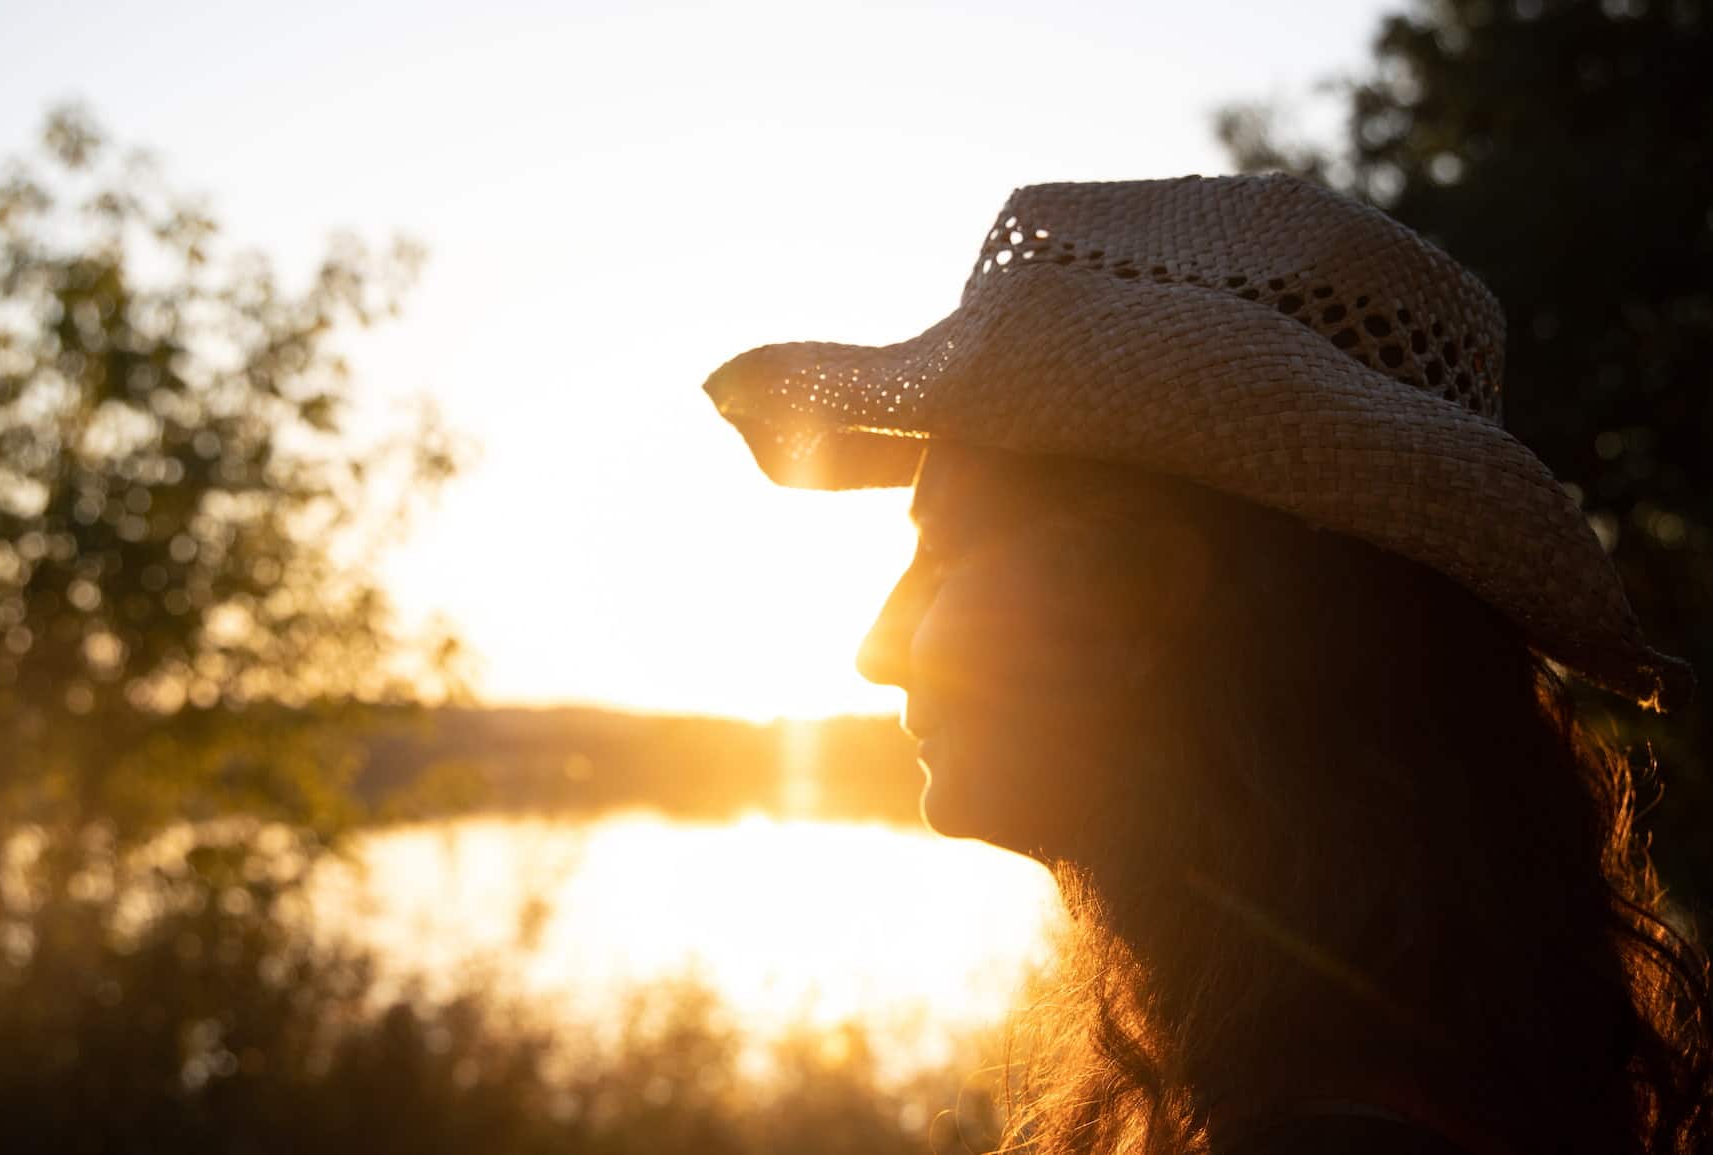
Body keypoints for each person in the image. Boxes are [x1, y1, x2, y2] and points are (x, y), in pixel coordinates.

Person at [703, 176, 1712, 1154]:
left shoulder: (1329, 1123)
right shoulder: (1405, 1071)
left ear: (1141, 592)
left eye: (942, 550)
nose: (875, 649)